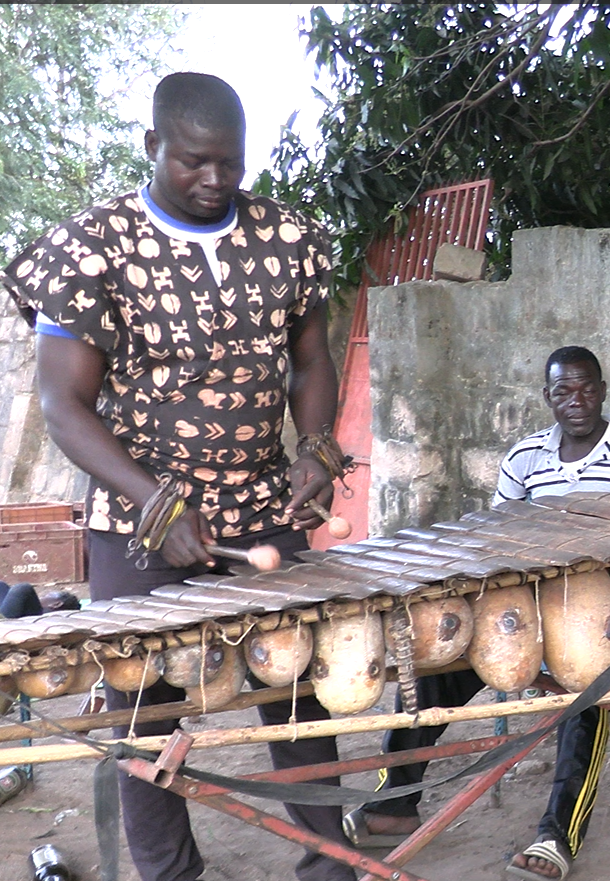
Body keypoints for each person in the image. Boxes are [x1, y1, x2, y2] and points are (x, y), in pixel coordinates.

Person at [4, 73, 352, 881]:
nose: (217, 181)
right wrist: (154, 500)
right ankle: (170, 871)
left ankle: (329, 860)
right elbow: (64, 404)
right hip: (137, 510)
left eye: (231, 163)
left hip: (263, 497)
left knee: (293, 681)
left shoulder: (291, 238)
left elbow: (310, 359)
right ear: (152, 146)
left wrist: (316, 447)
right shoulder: (91, 246)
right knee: (143, 704)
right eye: (196, 161)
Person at [345, 345, 610, 881]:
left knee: (587, 691)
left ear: (604, 391)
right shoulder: (524, 459)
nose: (578, 401)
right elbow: (502, 546)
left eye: (588, 388)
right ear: (547, 398)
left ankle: (557, 837)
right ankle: (393, 806)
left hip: (608, 614)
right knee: (433, 672)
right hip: (531, 609)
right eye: (564, 391)